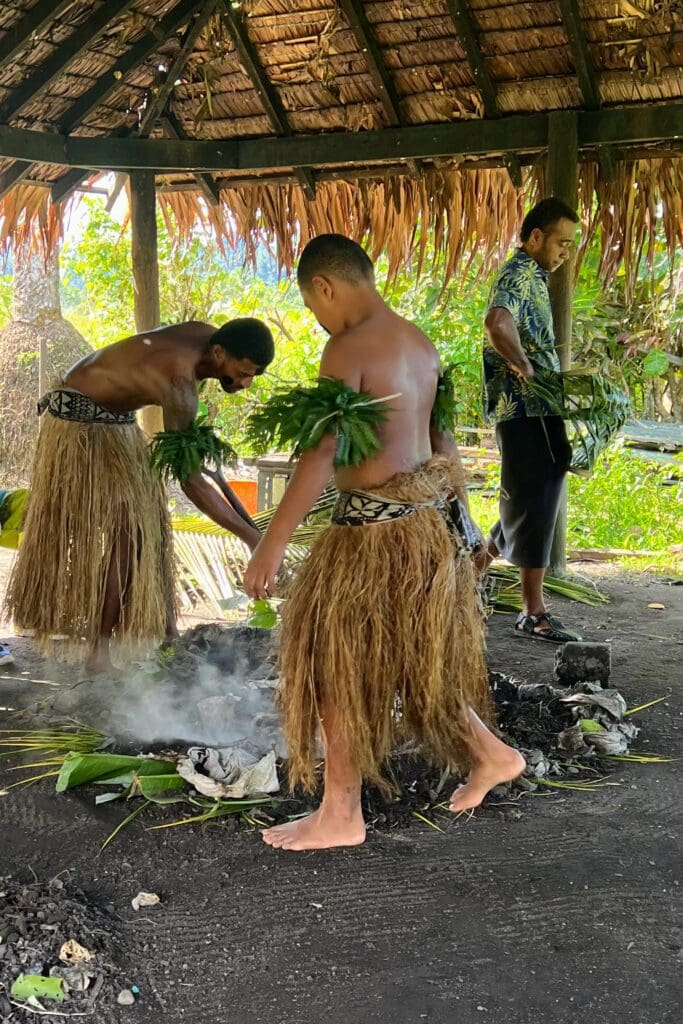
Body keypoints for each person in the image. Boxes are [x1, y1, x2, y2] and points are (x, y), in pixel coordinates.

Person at [244, 234, 524, 851]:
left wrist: (271, 541)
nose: (318, 319)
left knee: (333, 664)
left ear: (326, 286)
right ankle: (492, 754)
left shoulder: (346, 348)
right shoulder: (420, 345)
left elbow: (321, 454)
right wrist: (468, 528)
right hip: (425, 532)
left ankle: (340, 815)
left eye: (314, 307)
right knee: (406, 660)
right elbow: (443, 447)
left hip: (372, 536)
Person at [6, 318, 274, 674]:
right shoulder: (179, 386)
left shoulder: (209, 336)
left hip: (117, 422)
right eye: (243, 373)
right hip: (77, 421)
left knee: (153, 522)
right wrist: (254, 539)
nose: (245, 383)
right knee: (129, 532)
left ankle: (167, 633)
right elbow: (191, 482)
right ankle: (98, 656)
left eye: (254, 375)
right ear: (219, 353)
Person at [482, 198, 582, 642]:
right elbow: (497, 322)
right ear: (536, 237)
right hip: (524, 409)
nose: (565, 252)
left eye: (570, 245)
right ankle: (532, 612)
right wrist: (526, 367)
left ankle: (470, 569)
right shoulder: (519, 273)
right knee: (537, 498)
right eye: (561, 242)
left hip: (534, 409)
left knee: (529, 494)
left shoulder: (533, 276)